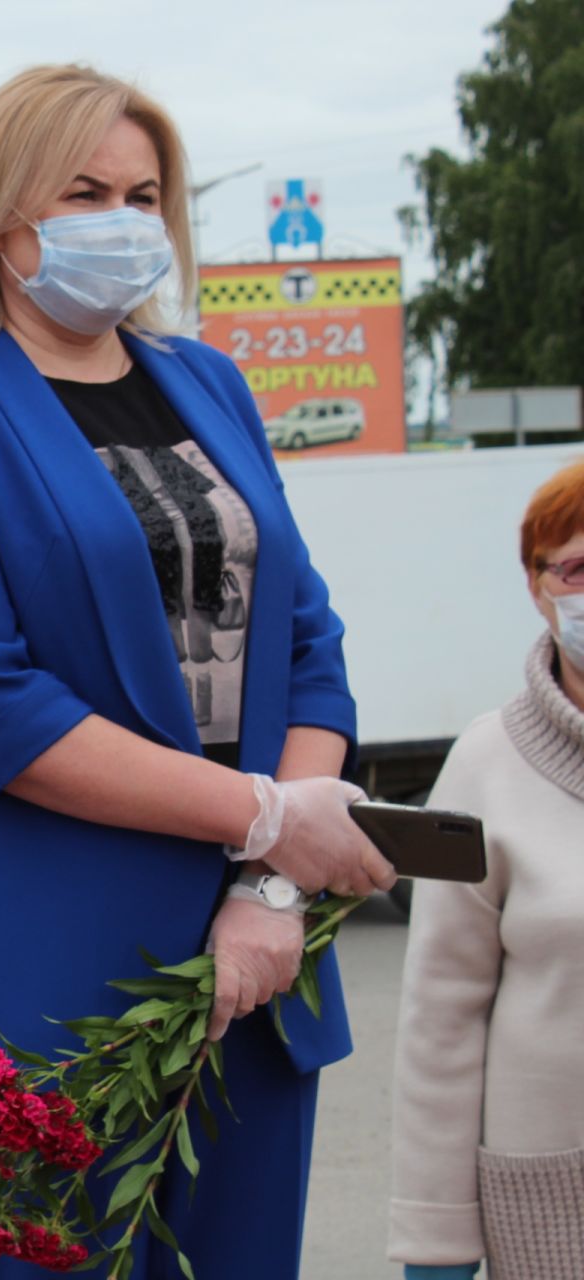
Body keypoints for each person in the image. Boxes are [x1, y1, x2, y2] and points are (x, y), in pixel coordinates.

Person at [0, 66, 395, 1279]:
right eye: (85, 189)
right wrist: (265, 815)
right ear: (0, 215)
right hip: (56, 980)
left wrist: (270, 886)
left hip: (255, 963)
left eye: (144, 193)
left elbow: (306, 641)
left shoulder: (209, 382)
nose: (124, 218)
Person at [387, 460, 584, 1280]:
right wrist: (435, 1244)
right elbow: (440, 1020)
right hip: (552, 1218)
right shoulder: (484, 764)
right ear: (538, 588)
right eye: (575, 568)